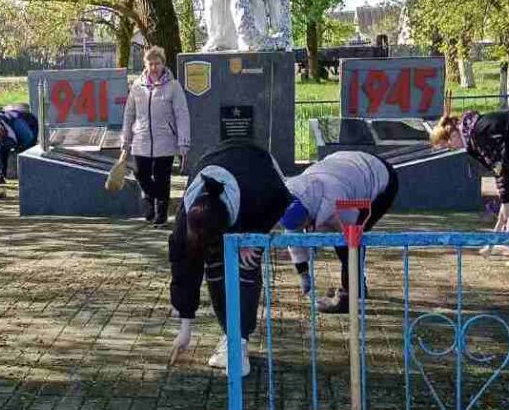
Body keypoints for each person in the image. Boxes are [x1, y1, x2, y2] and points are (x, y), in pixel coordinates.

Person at [168, 140, 291, 376]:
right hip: (216, 157)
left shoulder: (261, 191)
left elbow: (282, 200)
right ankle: (229, 333)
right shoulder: (186, 222)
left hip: (256, 166)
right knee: (214, 266)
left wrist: (254, 235)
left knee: (246, 264)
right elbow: (184, 271)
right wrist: (185, 329)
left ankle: (240, 342)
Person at [281, 151, 399, 314]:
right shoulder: (293, 197)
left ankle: (349, 297)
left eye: (305, 223)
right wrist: (303, 273)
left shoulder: (336, 200)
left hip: (380, 177)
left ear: (308, 212)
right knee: (340, 237)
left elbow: (350, 238)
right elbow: (293, 236)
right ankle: (356, 286)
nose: (304, 227)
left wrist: (349, 284)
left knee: (349, 241)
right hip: (346, 167)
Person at [430, 107, 509, 268]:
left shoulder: (479, 135)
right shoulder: (475, 136)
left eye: (448, 145)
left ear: (453, 135)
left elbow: (500, 165)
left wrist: (506, 197)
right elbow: (499, 168)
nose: (452, 149)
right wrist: (506, 196)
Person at [121, 45, 191, 225]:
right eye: (150, 64)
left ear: (163, 64)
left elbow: (182, 114)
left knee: (162, 178)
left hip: (165, 140)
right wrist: (126, 138)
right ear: (145, 65)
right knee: (140, 174)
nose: (154, 67)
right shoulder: (137, 86)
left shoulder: (173, 86)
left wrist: (183, 141)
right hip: (141, 139)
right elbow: (129, 113)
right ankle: (151, 200)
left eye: (157, 63)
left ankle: (161, 214)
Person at [0, 105, 39, 184]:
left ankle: (29, 175)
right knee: (2, 150)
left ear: (2, 131)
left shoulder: (18, 125)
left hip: (28, 123)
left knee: (27, 153)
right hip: (8, 130)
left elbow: (29, 138)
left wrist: (21, 148)